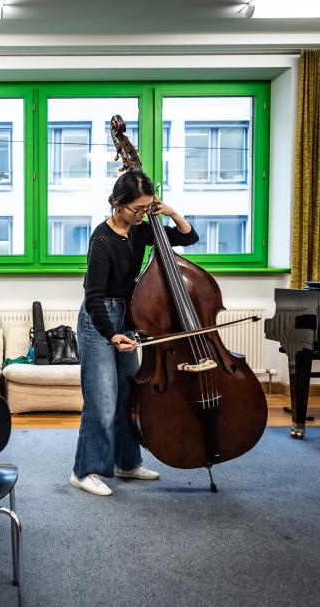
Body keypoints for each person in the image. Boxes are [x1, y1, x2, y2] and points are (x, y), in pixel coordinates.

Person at [71, 169, 199, 496]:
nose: (143, 215)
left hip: (127, 315)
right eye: (137, 209)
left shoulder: (141, 231)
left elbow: (187, 237)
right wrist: (111, 334)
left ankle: (126, 463)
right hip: (99, 320)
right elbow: (94, 296)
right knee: (102, 398)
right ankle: (85, 471)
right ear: (117, 204)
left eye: (147, 208)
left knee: (129, 393)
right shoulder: (102, 240)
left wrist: (168, 212)